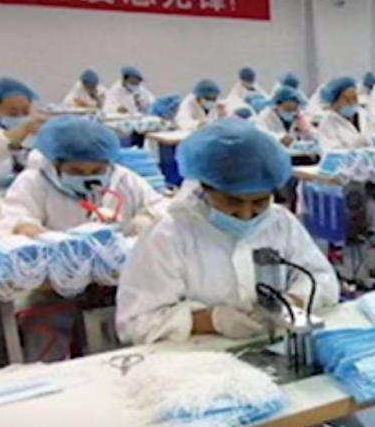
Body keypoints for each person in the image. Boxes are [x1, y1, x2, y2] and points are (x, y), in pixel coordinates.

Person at [116, 120, 339, 344]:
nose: (246, 214)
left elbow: (322, 278)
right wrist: (212, 320)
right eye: (233, 201)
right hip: (197, 355)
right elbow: (136, 321)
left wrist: (292, 301)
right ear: (206, 187)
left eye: (259, 202)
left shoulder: (281, 223)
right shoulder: (169, 234)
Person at [0, 116, 165, 241]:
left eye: (97, 170)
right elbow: (3, 226)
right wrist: (30, 232)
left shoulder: (124, 179)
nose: (88, 177)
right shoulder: (34, 182)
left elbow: (162, 208)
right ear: (55, 164)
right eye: (76, 171)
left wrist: (145, 220)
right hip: (53, 277)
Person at [315, 76, 375, 152]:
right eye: (347, 99)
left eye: (355, 98)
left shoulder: (366, 116)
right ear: (335, 102)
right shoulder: (328, 125)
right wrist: (355, 150)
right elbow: (333, 153)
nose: (352, 103)